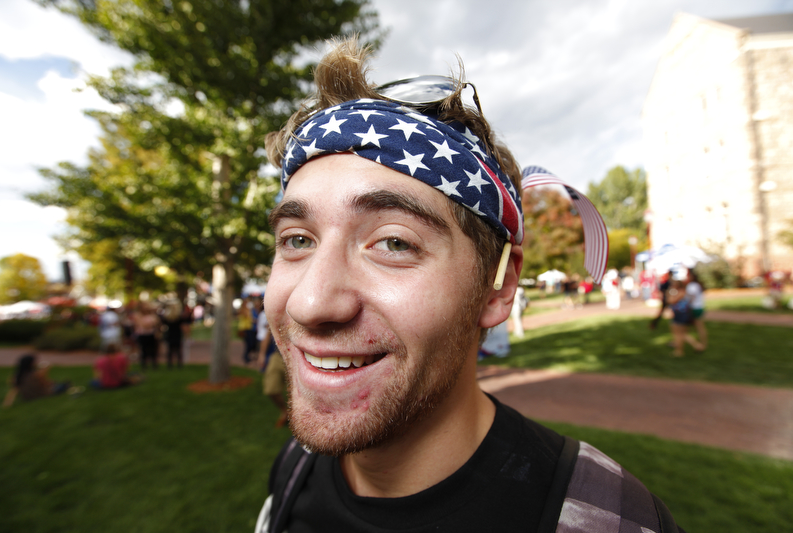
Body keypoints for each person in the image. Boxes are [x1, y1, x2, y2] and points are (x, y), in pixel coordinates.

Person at [255, 38, 682, 533]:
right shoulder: (293, 470)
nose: (310, 302)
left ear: (498, 288)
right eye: (298, 239)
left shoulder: (611, 519)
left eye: (394, 243)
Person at [2, 354, 73, 407]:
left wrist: (7, 403)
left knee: (56, 383)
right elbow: (46, 384)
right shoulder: (36, 374)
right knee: (64, 385)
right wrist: (47, 369)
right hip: (42, 395)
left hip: (27, 398)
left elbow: (13, 391)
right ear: (30, 364)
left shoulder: (16, 377)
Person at [666, 278, 704, 357]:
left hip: (681, 315)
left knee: (679, 333)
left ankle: (680, 351)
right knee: (683, 334)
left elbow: (670, 301)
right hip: (683, 314)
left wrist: (669, 293)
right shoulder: (683, 292)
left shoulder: (680, 292)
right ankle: (696, 346)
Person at [160, 300, 188, 368]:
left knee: (170, 350)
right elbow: (184, 326)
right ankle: (179, 364)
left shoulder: (167, 317)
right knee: (178, 350)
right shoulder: (179, 317)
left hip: (170, 334)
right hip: (176, 334)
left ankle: (170, 364)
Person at [685, 269, 707, 350]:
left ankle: (699, 345)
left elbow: (691, 298)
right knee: (700, 328)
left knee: (683, 328)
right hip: (699, 307)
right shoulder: (697, 285)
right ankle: (703, 344)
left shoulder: (692, 285)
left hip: (693, 309)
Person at [134, 302, 160, 370]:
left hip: (151, 334)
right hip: (143, 335)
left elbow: (157, 323)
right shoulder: (138, 315)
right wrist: (150, 324)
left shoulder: (152, 315)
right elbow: (143, 325)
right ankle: (144, 365)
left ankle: (154, 365)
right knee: (144, 350)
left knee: (153, 350)